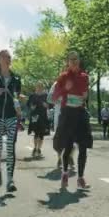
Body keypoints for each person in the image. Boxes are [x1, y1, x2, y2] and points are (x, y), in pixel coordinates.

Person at [52, 51, 91, 189]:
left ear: (79, 61)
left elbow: (85, 94)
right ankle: (64, 174)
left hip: (80, 113)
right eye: (71, 59)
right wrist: (64, 91)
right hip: (68, 114)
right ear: (68, 62)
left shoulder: (84, 77)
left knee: (84, 147)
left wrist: (84, 95)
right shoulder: (63, 77)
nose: (74, 61)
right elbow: (54, 96)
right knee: (68, 147)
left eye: (76, 59)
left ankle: (80, 178)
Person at [0, 49, 21, 192]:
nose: (7, 59)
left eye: (9, 57)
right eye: (5, 57)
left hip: (11, 115)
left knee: (11, 148)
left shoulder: (16, 78)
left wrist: (18, 105)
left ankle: (10, 180)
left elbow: (17, 96)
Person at [27, 82, 49, 158]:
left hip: (43, 116)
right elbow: (28, 105)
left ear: (42, 88)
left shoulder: (46, 96)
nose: (39, 88)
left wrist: (46, 105)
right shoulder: (32, 96)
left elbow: (50, 105)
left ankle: (39, 149)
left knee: (42, 134)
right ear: (36, 87)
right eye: (38, 86)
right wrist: (31, 107)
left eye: (40, 87)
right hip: (35, 116)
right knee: (36, 133)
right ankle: (35, 148)